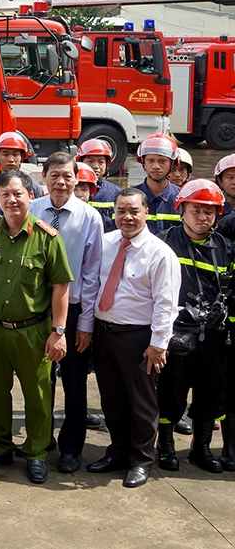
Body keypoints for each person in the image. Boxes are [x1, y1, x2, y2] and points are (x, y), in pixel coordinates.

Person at [0, 169, 72, 485]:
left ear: (31, 196)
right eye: (5, 194)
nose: (12, 200)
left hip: (34, 330)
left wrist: (58, 332)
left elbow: (60, 287)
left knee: (38, 395)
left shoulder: (47, 238)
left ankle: (37, 453)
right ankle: (0, 446)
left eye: (18, 193)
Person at [87, 188, 180, 488]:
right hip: (105, 332)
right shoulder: (107, 242)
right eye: (121, 211)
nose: (127, 217)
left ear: (146, 213)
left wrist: (158, 345)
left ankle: (141, 460)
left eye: (134, 211)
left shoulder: (159, 253)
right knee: (111, 398)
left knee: (142, 403)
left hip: (139, 338)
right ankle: (117, 452)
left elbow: (166, 304)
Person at [28, 151, 104, 475]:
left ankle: (71, 448)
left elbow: (92, 273)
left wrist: (85, 323)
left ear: (77, 179)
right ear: (44, 176)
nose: (61, 182)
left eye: (68, 176)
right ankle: (41, 441)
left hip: (72, 314)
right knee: (39, 381)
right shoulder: (31, 210)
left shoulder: (90, 218)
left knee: (74, 384)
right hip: (35, 310)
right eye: (54, 175)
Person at [156, 180, 233, 475]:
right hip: (177, 334)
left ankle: (200, 449)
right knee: (170, 394)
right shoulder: (164, 243)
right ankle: (166, 446)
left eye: (209, 212)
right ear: (182, 209)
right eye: (196, 210)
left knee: (211, 394)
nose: (203, 217)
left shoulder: (225, 249)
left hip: (214, 336)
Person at [133, 133, 181, 235]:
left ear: (172, 164)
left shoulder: (182, 198)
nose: (156, 166)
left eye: (162, 161)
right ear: (143, 162)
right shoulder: (131, 198)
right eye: (150, 160)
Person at [77, 139, 119, 225]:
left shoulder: (116, 193)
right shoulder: (70, 188)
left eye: (101, 162)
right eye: (90, 161)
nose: (96, 166)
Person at [0, 132, 45, 198]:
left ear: (22, 157)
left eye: (15, 155)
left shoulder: (34, 188)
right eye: (5, 154)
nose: (11, 159)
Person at [75, 162, 116, 233]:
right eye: (74, 189)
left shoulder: (94, 216)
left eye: (84, 190)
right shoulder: (59, 212)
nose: (79, 194)